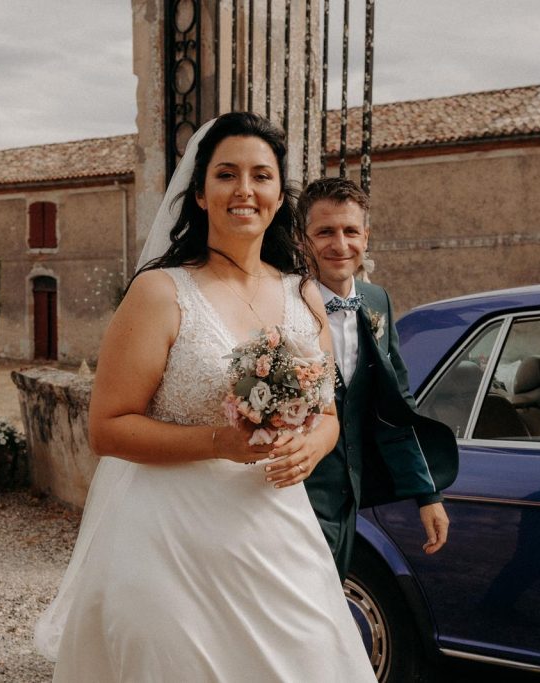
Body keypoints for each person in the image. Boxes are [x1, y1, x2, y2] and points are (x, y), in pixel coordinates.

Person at [33, 113, 376, 681]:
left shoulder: (303, 294)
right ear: (198, 193)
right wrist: (218, 441)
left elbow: (330, 415)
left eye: (261, 175)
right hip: (170, 541)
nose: (245, 190)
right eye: (226, 174)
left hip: (277, 534)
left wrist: (312, 447)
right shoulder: (161, 292)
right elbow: (108, 427)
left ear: (277, 193)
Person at [300, 176, 458, 580]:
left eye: (351, 230)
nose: (340, 244)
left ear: (366, 237)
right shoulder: (283, 303)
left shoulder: (377, 301)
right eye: (324, 232)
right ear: (303, 240)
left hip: (350, 498)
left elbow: (395, 403)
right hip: (295, 497)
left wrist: (427, 494)